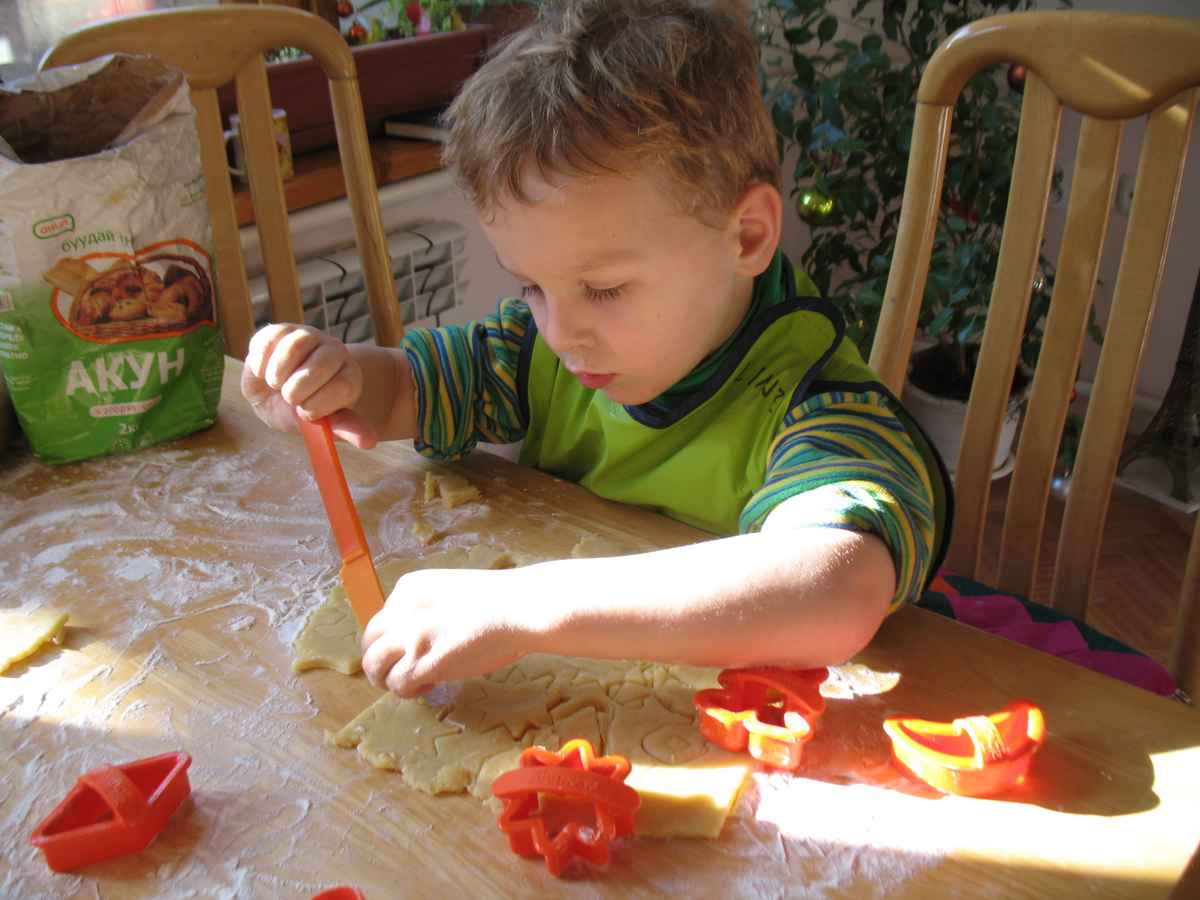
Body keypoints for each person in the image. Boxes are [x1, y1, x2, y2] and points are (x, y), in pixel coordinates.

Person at [241, 0, 952, 698]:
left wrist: (526, 606)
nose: (561, 332)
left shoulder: (816, 404)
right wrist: (337, 378)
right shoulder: (540, 354)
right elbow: (405, 390)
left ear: (747, 237)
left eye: (605, 290)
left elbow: (835, 587)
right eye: (533, 288)